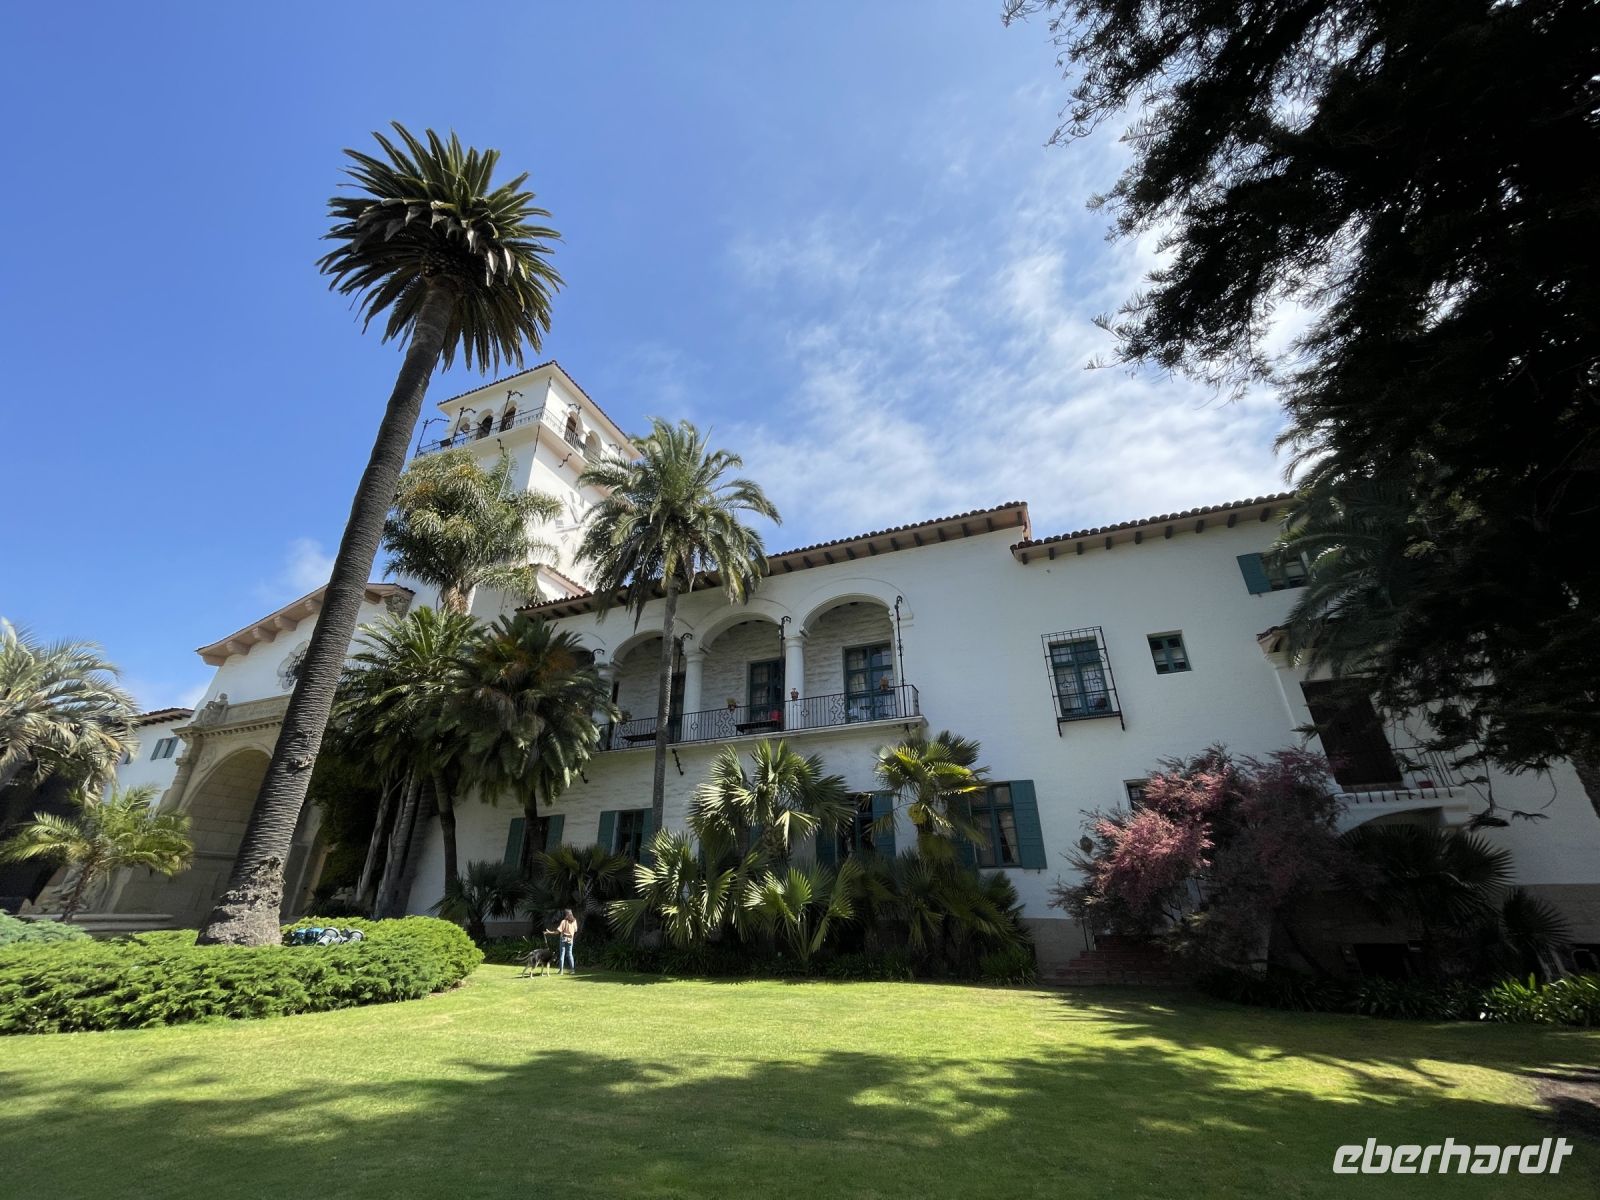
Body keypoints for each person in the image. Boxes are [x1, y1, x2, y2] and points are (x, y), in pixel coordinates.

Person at [545, 909, 578, 975]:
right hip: (570, 939)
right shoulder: (574, 921)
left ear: (566, 915)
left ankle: (561, 971)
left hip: (563, 939)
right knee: (570, 954)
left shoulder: (563, 921)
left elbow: (557, 932)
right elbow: (575, 930)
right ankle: (572, 970)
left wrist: (549, 932)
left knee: (562, 955)